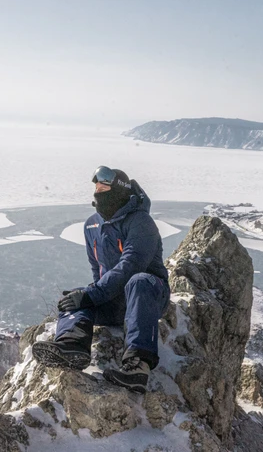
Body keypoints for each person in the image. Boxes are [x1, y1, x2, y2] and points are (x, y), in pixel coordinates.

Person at [32, 166, 170, 393]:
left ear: (119, 190)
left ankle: (138, 365)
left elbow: (131, 265)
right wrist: (89, 296)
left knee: (138, 281)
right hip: (116, 300)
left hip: (149, 296)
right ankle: (71, 345)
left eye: (104, 187)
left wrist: (93, 294)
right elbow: (97, 271)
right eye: (96, 187)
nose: (98, 191)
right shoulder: (91, 225)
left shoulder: (141, 222)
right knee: (74, 297)